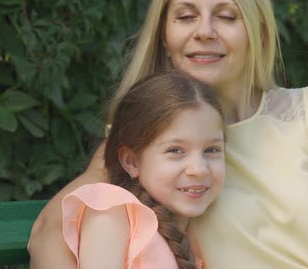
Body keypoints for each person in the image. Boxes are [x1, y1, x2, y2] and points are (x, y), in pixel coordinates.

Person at [29, 0, 308, 269]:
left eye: (226, 16)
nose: (204, 32)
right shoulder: (146, 135)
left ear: (260, 33)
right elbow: (48, 234)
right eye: (186, 16)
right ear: (165, 35)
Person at [53, 71, 225, 269]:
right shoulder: (112, 210)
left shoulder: (193, 239)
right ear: (131, 162)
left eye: (212, 149)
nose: (199, 169)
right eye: (175, 150)